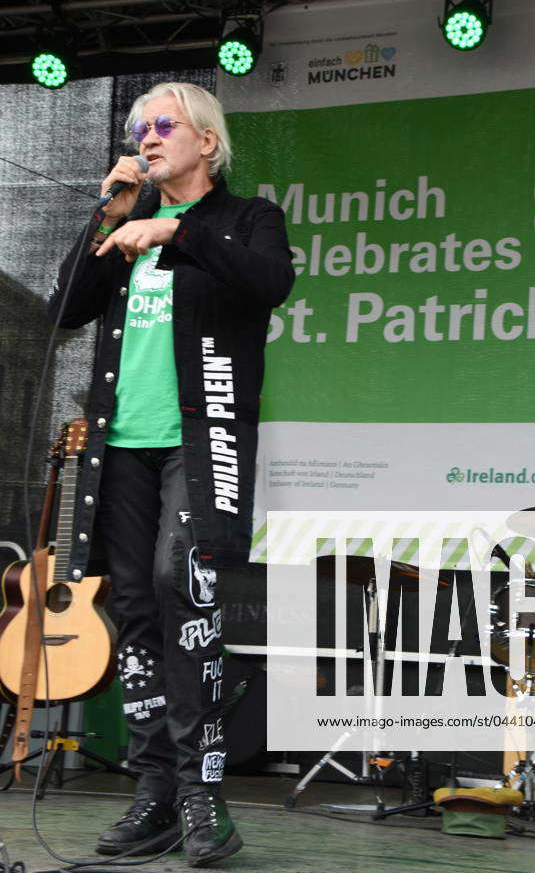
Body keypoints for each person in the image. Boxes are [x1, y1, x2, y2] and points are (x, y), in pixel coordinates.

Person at [47, 81, 295, 866]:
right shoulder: (127, 224)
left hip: (202, 438)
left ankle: (202, 791)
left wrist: (173, 234)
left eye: (162, 125)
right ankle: (153, 790)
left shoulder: (245, 219)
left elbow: (270, 284)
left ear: (207, 142)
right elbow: (65, 309)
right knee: (135, 609)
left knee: (179, 588)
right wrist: (108, 217)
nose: (146, 138)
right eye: (136, 128)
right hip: (121, 445)